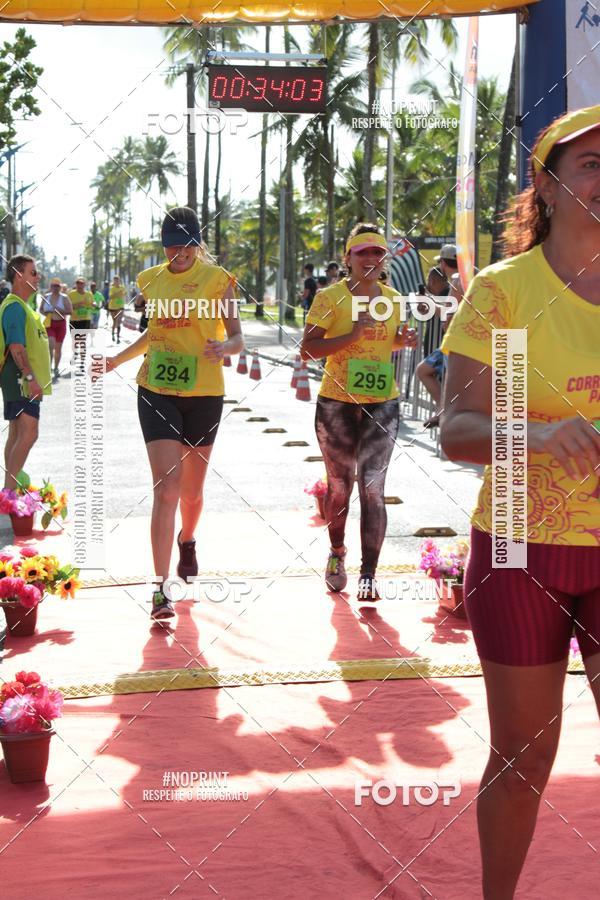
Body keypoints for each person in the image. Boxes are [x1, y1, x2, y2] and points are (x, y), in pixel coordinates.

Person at [440, 104, 600, 899]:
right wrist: (539, 438)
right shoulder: (506, 294)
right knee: (525, 755)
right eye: (592, 164)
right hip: (517, 548)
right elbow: (459, 431)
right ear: (548, 183)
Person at [105, 206, 244, 621]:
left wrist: (224, 348)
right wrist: (117, 360)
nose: (177, 253)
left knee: (191, 493)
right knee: (166, 489)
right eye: (170, 245)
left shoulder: (219, 281)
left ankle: (188, 538)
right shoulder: (151, 280)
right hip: (156, 389)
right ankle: (161, 588)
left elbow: (237, 337)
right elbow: (155, 333)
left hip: (203, 393)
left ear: (197, 244)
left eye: (185, 245)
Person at [301, 223, 417, 602]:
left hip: (382, 403)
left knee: (373, 488)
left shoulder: (394, 299)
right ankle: (337, 553)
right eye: (362, 252)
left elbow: (388, 343)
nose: (370, 258)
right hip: (336, 402)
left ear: (385, 260)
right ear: (348, 258)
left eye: (377, 253)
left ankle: (369, 574)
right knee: (340, 486)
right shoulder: (329, 297)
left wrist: (403, 340)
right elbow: (306, 350)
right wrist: (350, 336)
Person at [0, 255, 51, 491]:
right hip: (20, 379)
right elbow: (16, 347)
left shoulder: (22, 306)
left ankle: (8, 491)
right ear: (18, 275)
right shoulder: (15, 307)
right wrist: (30, 379)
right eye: (33, 272)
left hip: (18, 379)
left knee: (17, 434)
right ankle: (9, 494)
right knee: (29, 433)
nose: (37, 277)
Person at [416, 267, 451, 429]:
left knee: (450, 385)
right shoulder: (449, 290)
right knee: (423, 370)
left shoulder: (457, 288)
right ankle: (443, 408)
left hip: (457, 347)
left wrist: (430, 304)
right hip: (444, 347)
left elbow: (450, 312)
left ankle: (446, 411)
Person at [40, 277, 73, 377]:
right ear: (50, 287)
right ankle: (49, 366)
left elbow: (70, 311)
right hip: (50, 324)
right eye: (53, 286)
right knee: (51, 345)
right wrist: (47, 313)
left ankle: (56, 368)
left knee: (58, 349)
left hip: (61, 324)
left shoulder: (64, 298)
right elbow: (41, 309)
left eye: (57, 286)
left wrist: (59, 310)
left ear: (60, 287)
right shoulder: (46, 296)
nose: (55, 288)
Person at [68, 276, 94, 364]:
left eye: (81, 283)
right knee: (75, 340)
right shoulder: (71, 294)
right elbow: (68, 306)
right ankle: (75, 354)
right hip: (74, 320)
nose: (80, 285)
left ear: (84, 284)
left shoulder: (89, 294)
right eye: (78, 283)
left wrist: (94, 304)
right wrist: (77, 305)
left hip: (85, 320)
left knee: (82, 340)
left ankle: (82, 360)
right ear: (76, 284)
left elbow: (92, 303)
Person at [108, 275, 127, 343]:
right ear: (114, 281)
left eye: (117, 280)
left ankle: (118, 337)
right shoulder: (112, 288)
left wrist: (123, 294)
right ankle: (113, 334)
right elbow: (110, 297)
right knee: (114, 322)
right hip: (113, 307)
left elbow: (125, 294)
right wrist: (117, 293)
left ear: (119, 281)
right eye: (115, 280)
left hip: (120, 306)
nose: (116, 282)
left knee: (119, 322)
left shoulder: (122, 287)